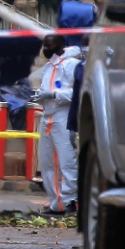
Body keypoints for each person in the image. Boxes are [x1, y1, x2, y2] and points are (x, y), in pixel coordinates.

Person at [36, 34, 80, 215]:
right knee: (47, 163)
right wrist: (40, 94)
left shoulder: (72, 65)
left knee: (67, 161)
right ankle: (57, 203)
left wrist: (54, 94)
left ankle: (71, 201)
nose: (47, 50)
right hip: (47, 116)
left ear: (61, 45)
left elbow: (77, 92)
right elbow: (45, 88)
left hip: (63, 117)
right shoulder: (49, 66)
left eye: (50, 46)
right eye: (45, 46)